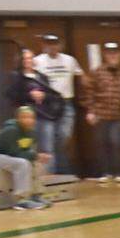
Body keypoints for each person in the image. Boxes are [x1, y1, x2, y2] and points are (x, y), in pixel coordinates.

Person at [0, 106, 53, 211]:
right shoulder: (11, 130)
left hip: (7, 157)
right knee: (22, 163)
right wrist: (36, 155)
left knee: (34, 163)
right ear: (18, 119)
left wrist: (36, 157)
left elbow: (27, 152)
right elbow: (15, 152)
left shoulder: (32, 133)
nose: (28, 120)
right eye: (24, 117)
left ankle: (35, 195)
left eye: (31, 117)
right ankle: (21, 200)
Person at [82, 42, 120, 183]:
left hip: (119, 115)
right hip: (101, 114)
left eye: (116, 53)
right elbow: (90, 92)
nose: (113, 56)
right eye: (110, 53)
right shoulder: (97, 71)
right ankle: (105, 172)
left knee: (116, 142)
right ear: (105, 55)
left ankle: (119, 172)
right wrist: (91, 111)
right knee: (101, 143)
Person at [32, 34, 83, 174]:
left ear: (61, 45)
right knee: (47, 141)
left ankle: (62, 171)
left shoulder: (70, 60)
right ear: (44, 45)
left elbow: (81, 76)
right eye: (49, 43)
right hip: (46, 104)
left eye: (55, 43)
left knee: (63, 135)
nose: (52, 46)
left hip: (66, 102)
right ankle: (53, 175)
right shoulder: (37, 61)